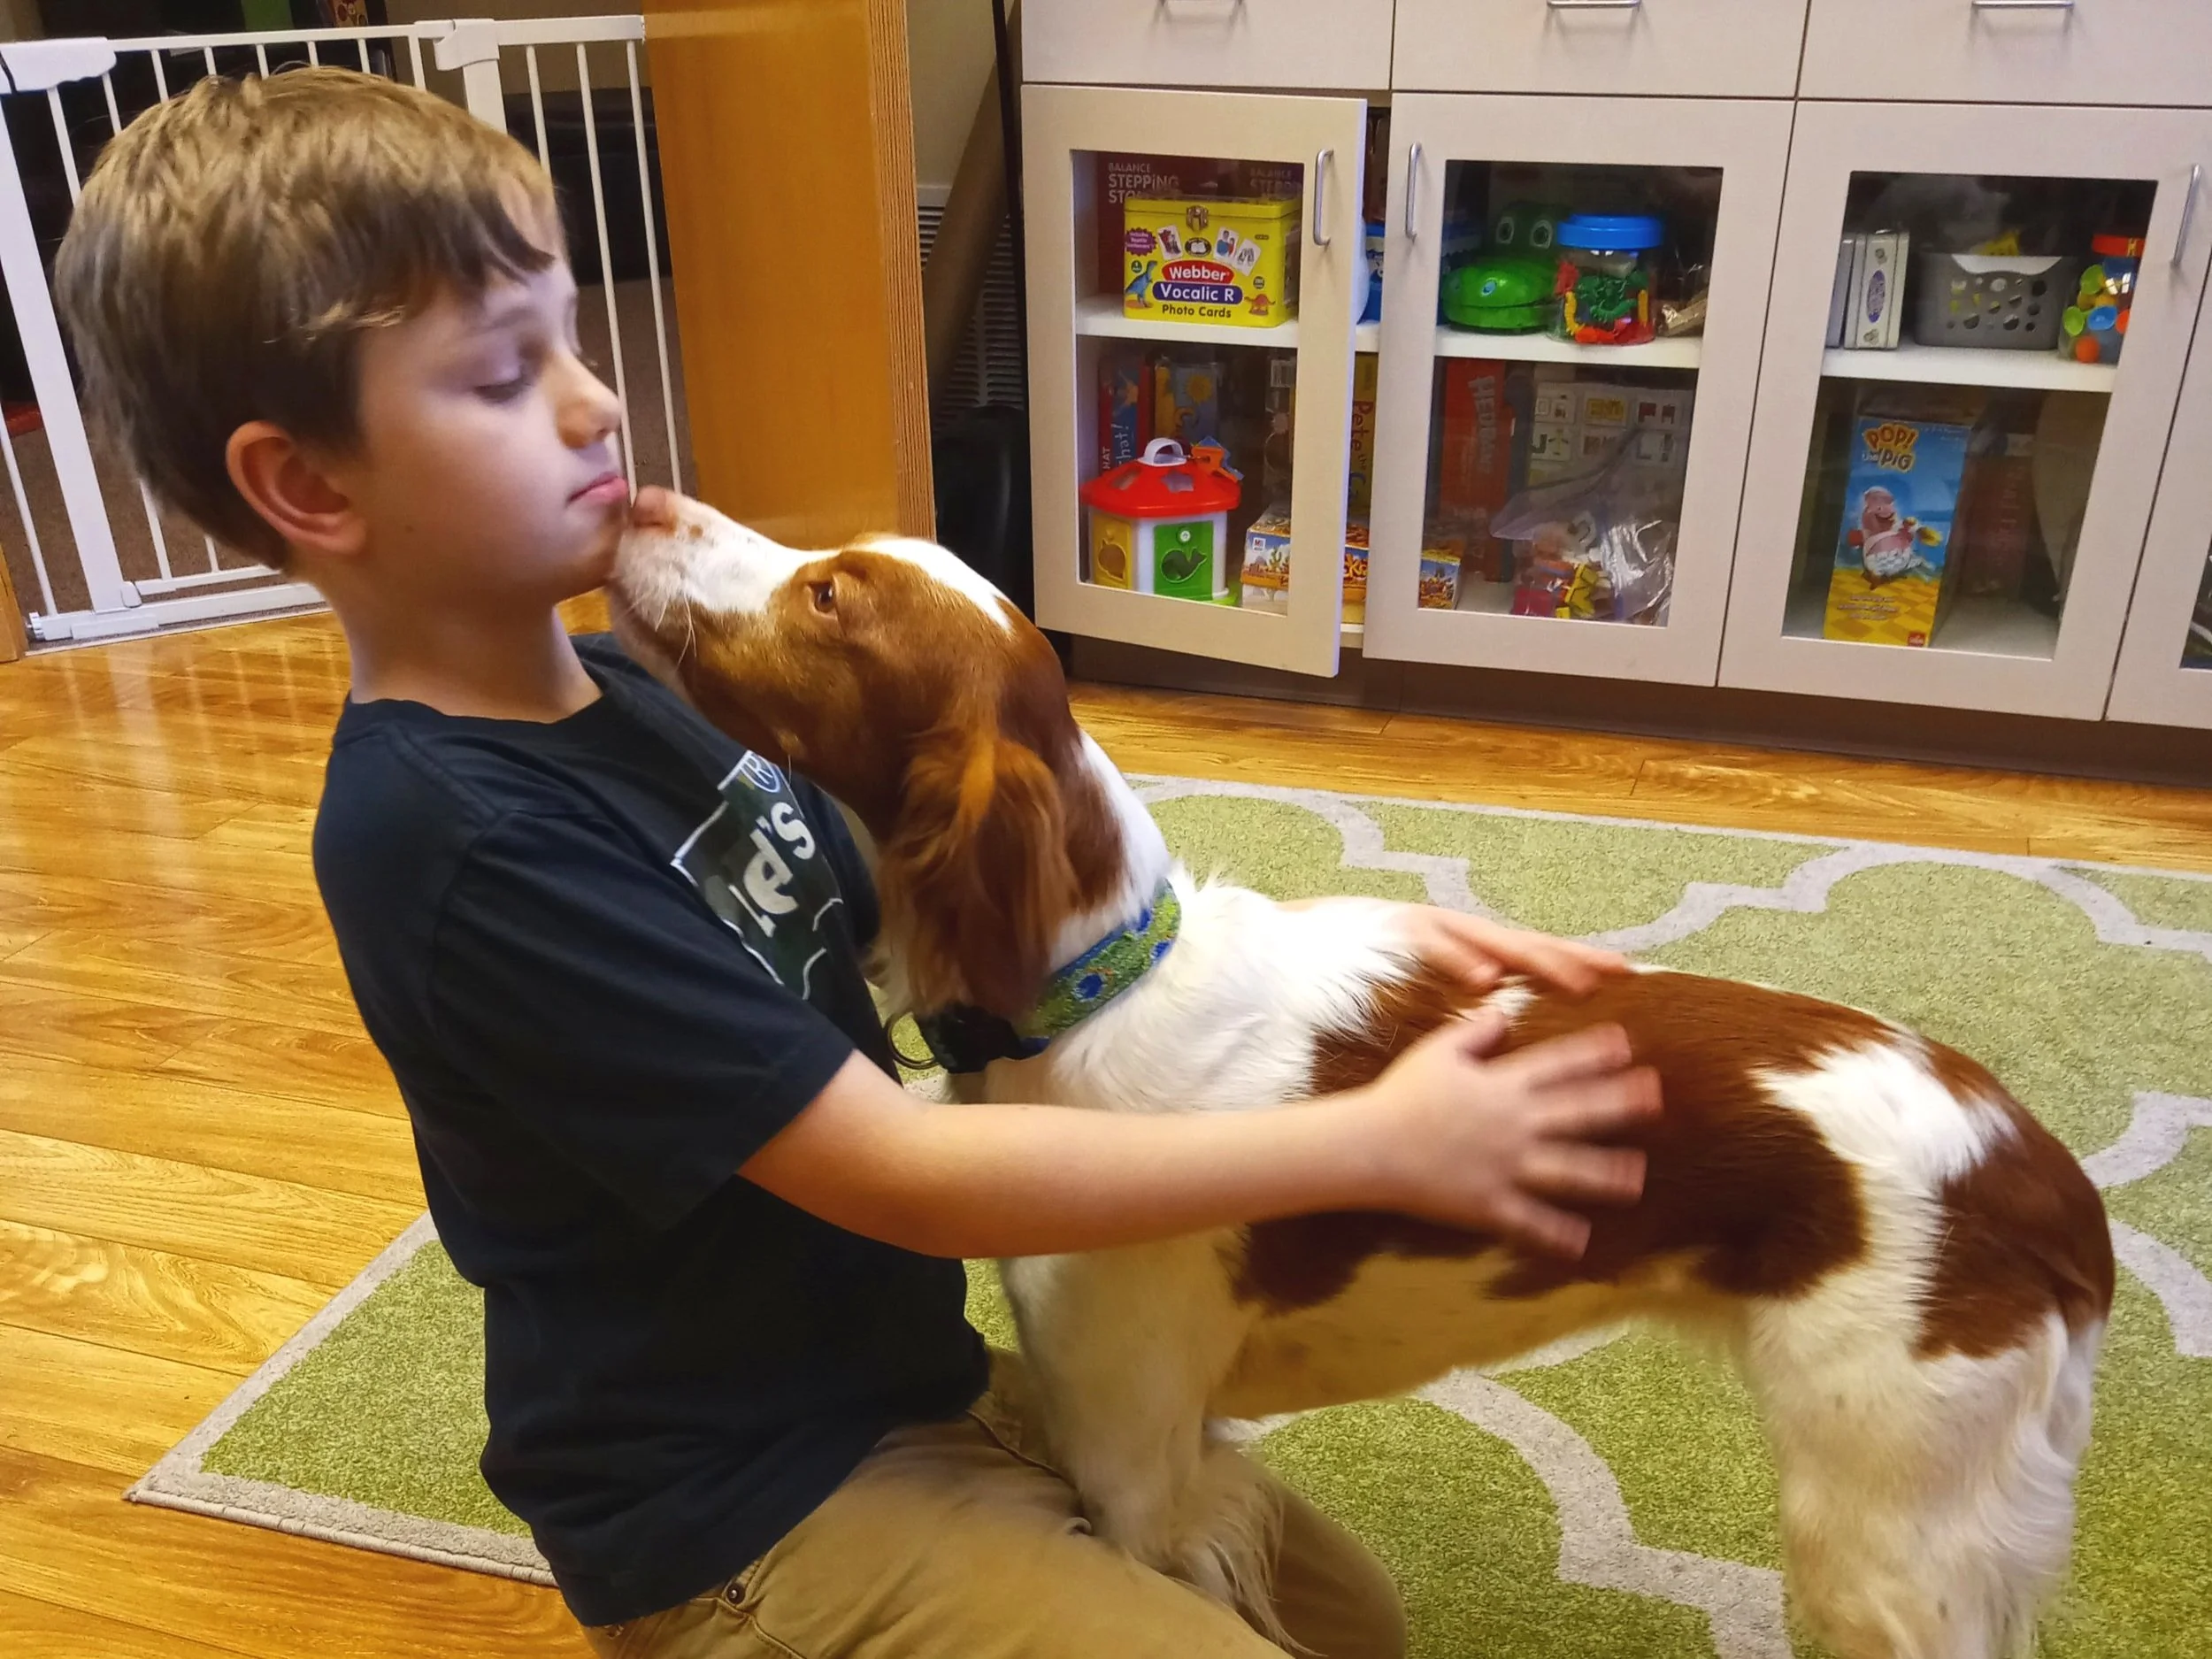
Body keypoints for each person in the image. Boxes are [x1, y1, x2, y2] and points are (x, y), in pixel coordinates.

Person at [55, 67, 1660, 1659]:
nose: (595, 403)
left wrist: (1360, 945)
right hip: (742, 1505)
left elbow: (959, 885)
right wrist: (1370, 1141)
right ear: (305, 484)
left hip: (905, 1382)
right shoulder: (457, 840)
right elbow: (901, 1174)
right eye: (500, 374)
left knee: (1352, 1625)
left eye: (573, 340)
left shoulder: (625, 695)